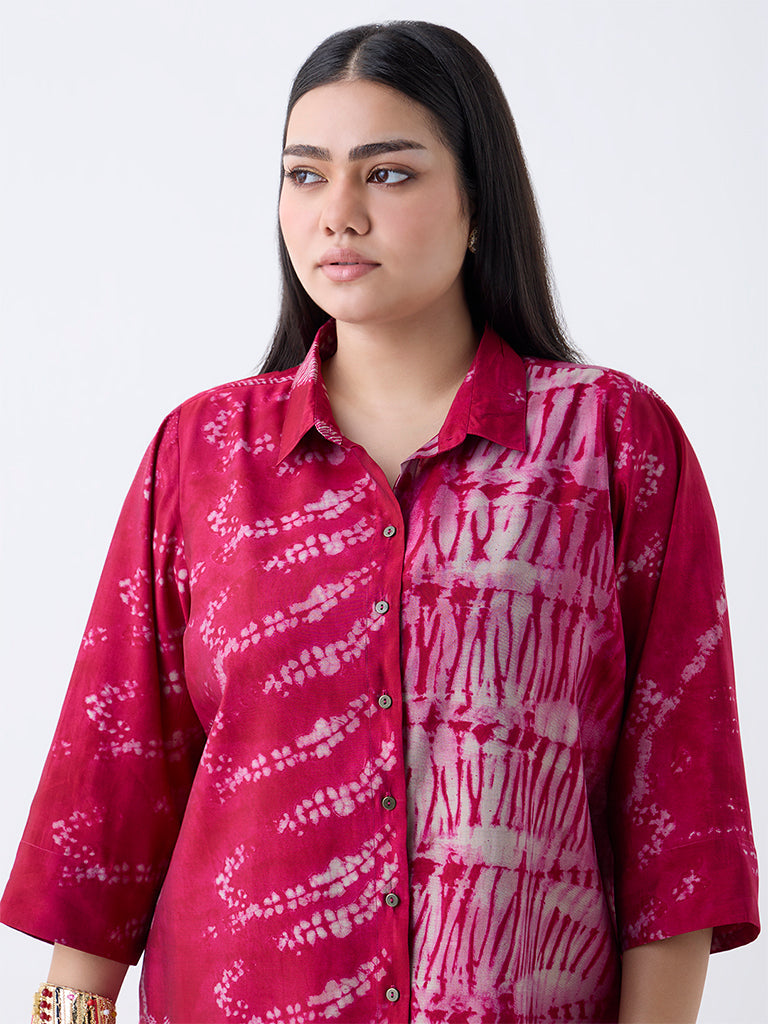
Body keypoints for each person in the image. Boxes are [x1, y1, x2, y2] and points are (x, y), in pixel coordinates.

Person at [1, 20, 759, 1024]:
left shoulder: (611, 445)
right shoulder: (203, 453)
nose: (338, 214)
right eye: (305, 176)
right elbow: (109, 800)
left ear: (479, 202)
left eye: (388, 174)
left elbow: (679, 817)